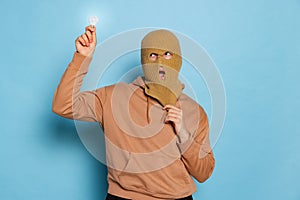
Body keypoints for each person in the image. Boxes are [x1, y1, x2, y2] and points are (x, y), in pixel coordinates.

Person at [52, 25, 215, 200]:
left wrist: (183, 134)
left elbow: (204, 172)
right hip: (124, 196)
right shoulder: (114, 97)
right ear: (144, 60)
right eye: (153, 55)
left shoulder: (194, 111)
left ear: (178, 59)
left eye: (167, 54)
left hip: (177, 197)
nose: (160, 63)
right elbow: (63, 105)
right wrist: (82, 58)